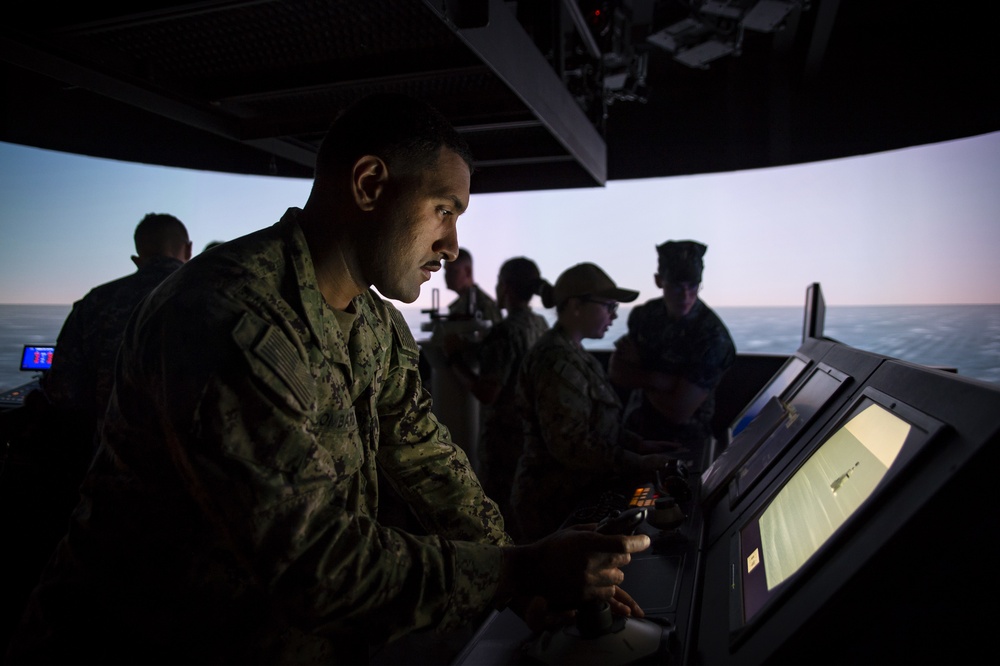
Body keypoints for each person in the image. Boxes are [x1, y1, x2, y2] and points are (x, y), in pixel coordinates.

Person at [7, 95, 650, 665]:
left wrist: (531, 580)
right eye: (443, 210)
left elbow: (429, 462)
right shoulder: (228, 318)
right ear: (370, 184)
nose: (452, 244)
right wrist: (515, 572)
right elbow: (313, 564)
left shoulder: (374, 324)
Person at [511, 263, 677, 542]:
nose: (613, 315)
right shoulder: (556, 361)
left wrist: (637, 444)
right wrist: (638, 462)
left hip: (576, 494)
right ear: (575, 306)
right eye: (608, 306)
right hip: (551, 506)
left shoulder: (574, 353)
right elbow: (572, 445)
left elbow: (597, 423)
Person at [41, 212, 192, 442]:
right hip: (192, 461)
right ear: (189, 250)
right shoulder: (211, 295)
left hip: (111, 456)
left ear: (137, 258)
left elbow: (63, 390)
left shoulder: (96, 301)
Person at [608, 240, 735, 461]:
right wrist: (663, 382)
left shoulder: (712, 336)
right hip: (632, 437)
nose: (685, 296)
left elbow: (678, 411)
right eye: (677, 285)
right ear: (659, 281)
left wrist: (641, 372)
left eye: (693, 286)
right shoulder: (645, 315)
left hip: (681, 448)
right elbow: (616, 371)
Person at [445, 257, 549, 522]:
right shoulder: (540, 325)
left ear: (505, 287)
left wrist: (453, 359)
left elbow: (487, 392)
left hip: (503, 442)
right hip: (530, 436)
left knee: (499, 514)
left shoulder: (505, 332)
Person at [444, 247, 503, 324]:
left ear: (468, 272)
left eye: (452, 271)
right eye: (446, 271)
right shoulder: (462, 304)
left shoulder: (485, 306)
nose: (446, 276)